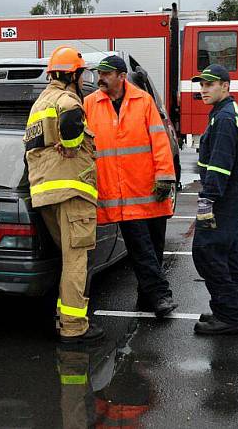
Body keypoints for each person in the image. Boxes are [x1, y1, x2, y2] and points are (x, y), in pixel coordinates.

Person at [84, 55, 178, 317]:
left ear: (121, 76)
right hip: (122, 195)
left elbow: (159, 142)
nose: (100, 78)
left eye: (106, 74)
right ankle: (161, 296)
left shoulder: (142, 101)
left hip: (149, 189)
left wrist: (164, 177)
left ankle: (146, 297)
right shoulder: (90, 104)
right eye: (99, 74)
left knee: (155, 247)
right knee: (141, 248)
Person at [24, 45, 104, 344]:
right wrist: (71, 146)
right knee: (77, 259)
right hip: (72, 191)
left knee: (66, 257)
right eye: (82, 74)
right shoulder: (68, 99)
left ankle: (63, 316)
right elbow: (71, 124)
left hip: (45, 194)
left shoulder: (39, 104)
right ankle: (74, 326)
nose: (83, 81)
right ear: (73, 75)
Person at [191, 64, 238, 335]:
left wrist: (207, 202)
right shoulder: (228, 113)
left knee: (208, 252)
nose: (204, 89)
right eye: (202, 85)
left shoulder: (226, 118)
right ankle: (232, 310)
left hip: (225, 195)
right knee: (229, 254)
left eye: (210, 84)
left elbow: (219, 166)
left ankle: (228, 316)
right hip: (234, 192)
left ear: (226, 86)